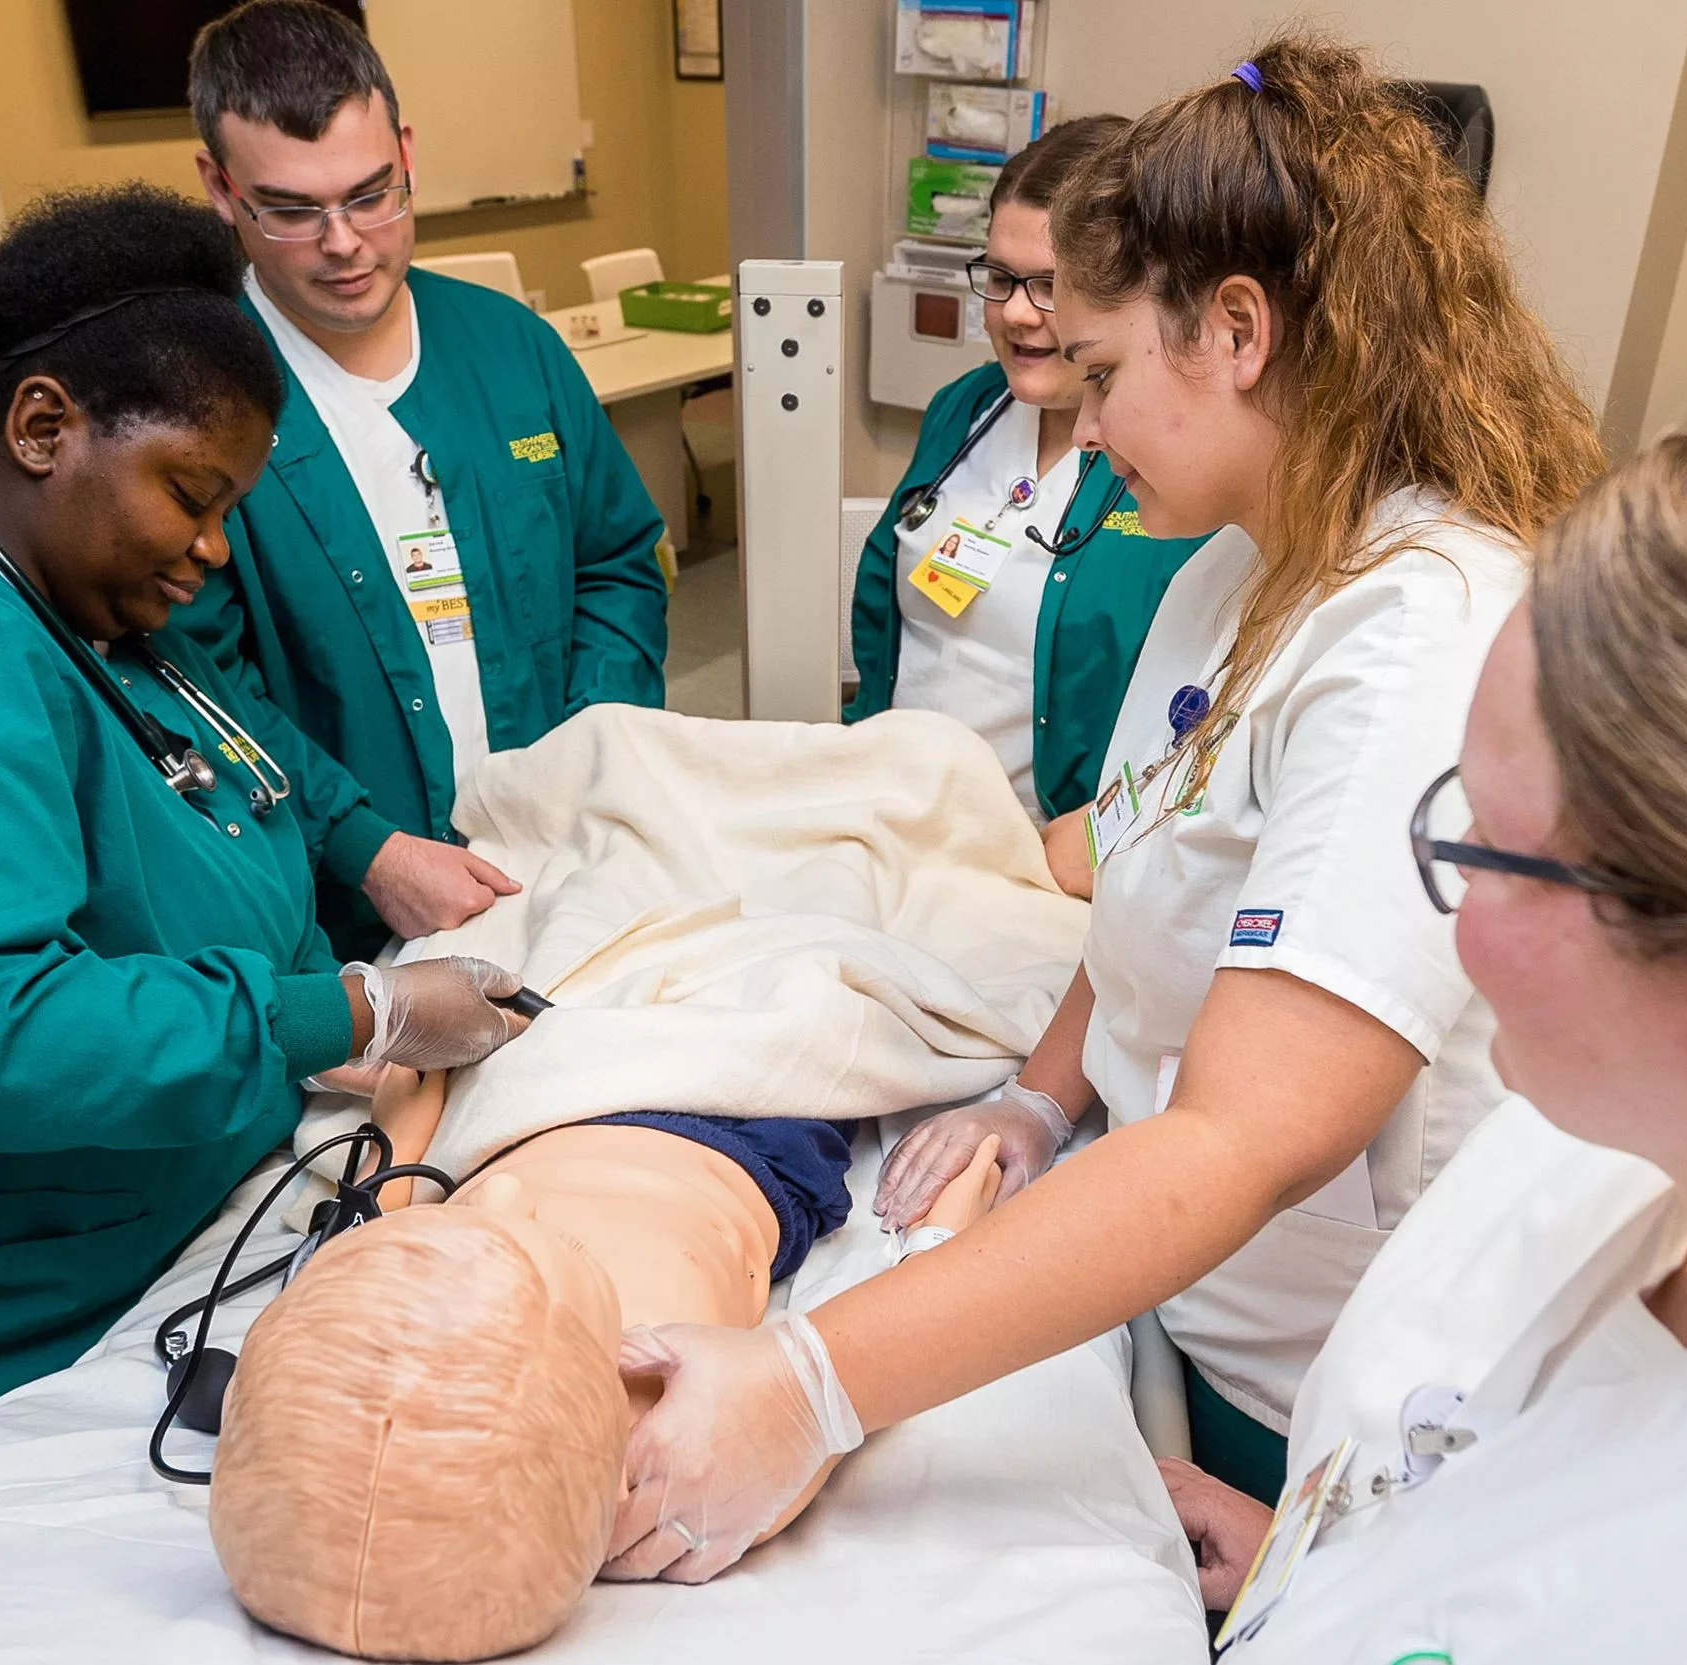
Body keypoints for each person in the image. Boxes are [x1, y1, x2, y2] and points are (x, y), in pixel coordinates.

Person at [600, 35, 1607, 1584]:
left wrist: (811, 1388)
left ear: (1239, 333)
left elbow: (1240, 1143)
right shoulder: (1230, 571)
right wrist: (1044, 1095)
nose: (1079, 410)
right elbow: (1148, 874)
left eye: (1107, 369)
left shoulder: (1423, 638)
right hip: (1165, 1312)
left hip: (1316, 1382)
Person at [1164, 400, 1687, 1658]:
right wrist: (1324, 1577)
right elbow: (1504, 1497)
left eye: (1497, 852)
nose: (1450, 900)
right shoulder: (1591, 1148)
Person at [0, 184, 531, 1437]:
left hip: (221, 1196)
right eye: (190, 497)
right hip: (41, 1311)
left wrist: (347, 939)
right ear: (44, 426)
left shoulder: (107, 626)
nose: (209, 550)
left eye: (229, 514)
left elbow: (249, 781)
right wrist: (348, 1008)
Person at [175, 0, 670, 962]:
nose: (345, 242)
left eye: (372, 194)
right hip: (346, 918)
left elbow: (614, 562)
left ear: (406, 151)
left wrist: (585, 757)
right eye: (291, 210)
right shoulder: (193, 405)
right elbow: (197, 684)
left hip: (566, 862)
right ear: (219, 188)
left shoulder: (513, 350)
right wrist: (365, 847)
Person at [209, 1068, 996, 1660]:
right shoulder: (672, 1461)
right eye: (522, 1246)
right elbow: (861, 1378)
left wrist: (421, 1069)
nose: (503, 1200)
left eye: (463, 1225)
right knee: (801, 985)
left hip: (538, 1099)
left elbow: (387, 1178)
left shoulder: (348, 1336)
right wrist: (943, 1237)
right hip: (749, 1142)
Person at [845, 116, 1210, 897]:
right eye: (1001, 278)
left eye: (1048, 285)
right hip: (885, 816)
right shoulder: (965, 408)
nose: (1015, 312)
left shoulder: (1173, 471)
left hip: (1032, 865)